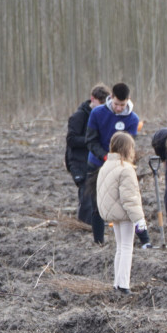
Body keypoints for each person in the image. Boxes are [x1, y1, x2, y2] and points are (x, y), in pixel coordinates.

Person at [95, 133, 152, 294]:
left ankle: (117, 283)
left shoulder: (106, 166)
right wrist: (139, 219)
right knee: (127, 247)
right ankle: (124, 285)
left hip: (112, 213)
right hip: (125, 214)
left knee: (120, 247)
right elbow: (130, 198)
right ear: (128, 148)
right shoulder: (126, 169)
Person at [85, 82, 140, 245]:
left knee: (123, 203)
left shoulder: (133, 119)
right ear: (111, 98)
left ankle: (126, 240)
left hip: (120, 167)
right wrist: (104, 157)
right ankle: (98, 241)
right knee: (97, 204)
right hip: (96, 164)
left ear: (128, 101)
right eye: (116, 104)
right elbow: (90, 141)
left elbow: (129, 146)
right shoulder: (97, 114)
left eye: (122, 105)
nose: (118, 108)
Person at [66, 83, 109, 226]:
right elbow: (71, 140)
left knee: (96, 194)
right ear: (93, 99)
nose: (102, 106)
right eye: (100, 102)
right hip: (77, 162)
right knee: (86, 194)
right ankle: (84, 226)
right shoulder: (79, 116)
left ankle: (96, 224)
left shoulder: (102, 116)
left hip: (93, 161)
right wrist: (91, 140)